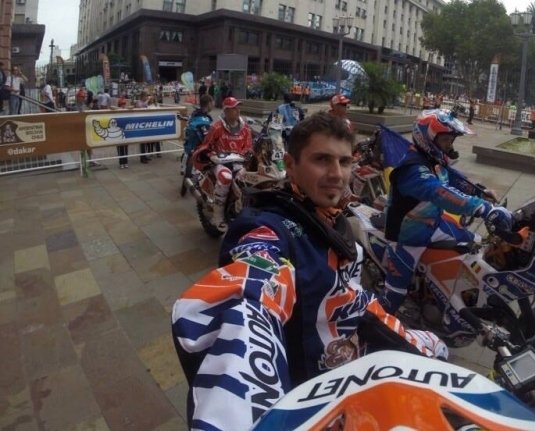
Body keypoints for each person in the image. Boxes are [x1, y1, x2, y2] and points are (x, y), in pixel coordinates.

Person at [172, 112, 447, 430]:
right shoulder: (270, 228)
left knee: (435, 352)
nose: (337, 174)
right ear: (290, 165)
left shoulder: (332, 219)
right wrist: (239, 399)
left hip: (354, 374)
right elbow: (251, 288)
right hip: (309, 403)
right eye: (321, 159)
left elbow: (354, 300)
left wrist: (415, 345)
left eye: (344, 162)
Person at [380, 109, 512, 312]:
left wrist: (480, 192)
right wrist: (482, 208)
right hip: (406, 238)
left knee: (475, 246)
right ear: (427, 139)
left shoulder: (433, 161)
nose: (449, 146)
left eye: (451, 140)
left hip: (433, 224)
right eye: (445, 140)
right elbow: (440, 192)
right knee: (393, 299)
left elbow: (452, 180)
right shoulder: (412, 170)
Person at [191, 96, 253, 231]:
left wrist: (247, 154)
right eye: (233, 108)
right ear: (226, 111)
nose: (237, 110)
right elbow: (206, 145)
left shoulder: (246, 128)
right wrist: (213, 155)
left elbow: (248, 146)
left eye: (238, 107)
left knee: (248, 180)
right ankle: (217, 217)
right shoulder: (216, 127)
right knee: (226, 177)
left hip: (239, 164)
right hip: (221, 164)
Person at [180, 95, 214, 194]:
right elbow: (207, 137)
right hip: (199, 148)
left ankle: (184, 169)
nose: (213, 105)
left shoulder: (195, 113)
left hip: (189, 145)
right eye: (212, 102)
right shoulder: (205, 119)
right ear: (208, 104)